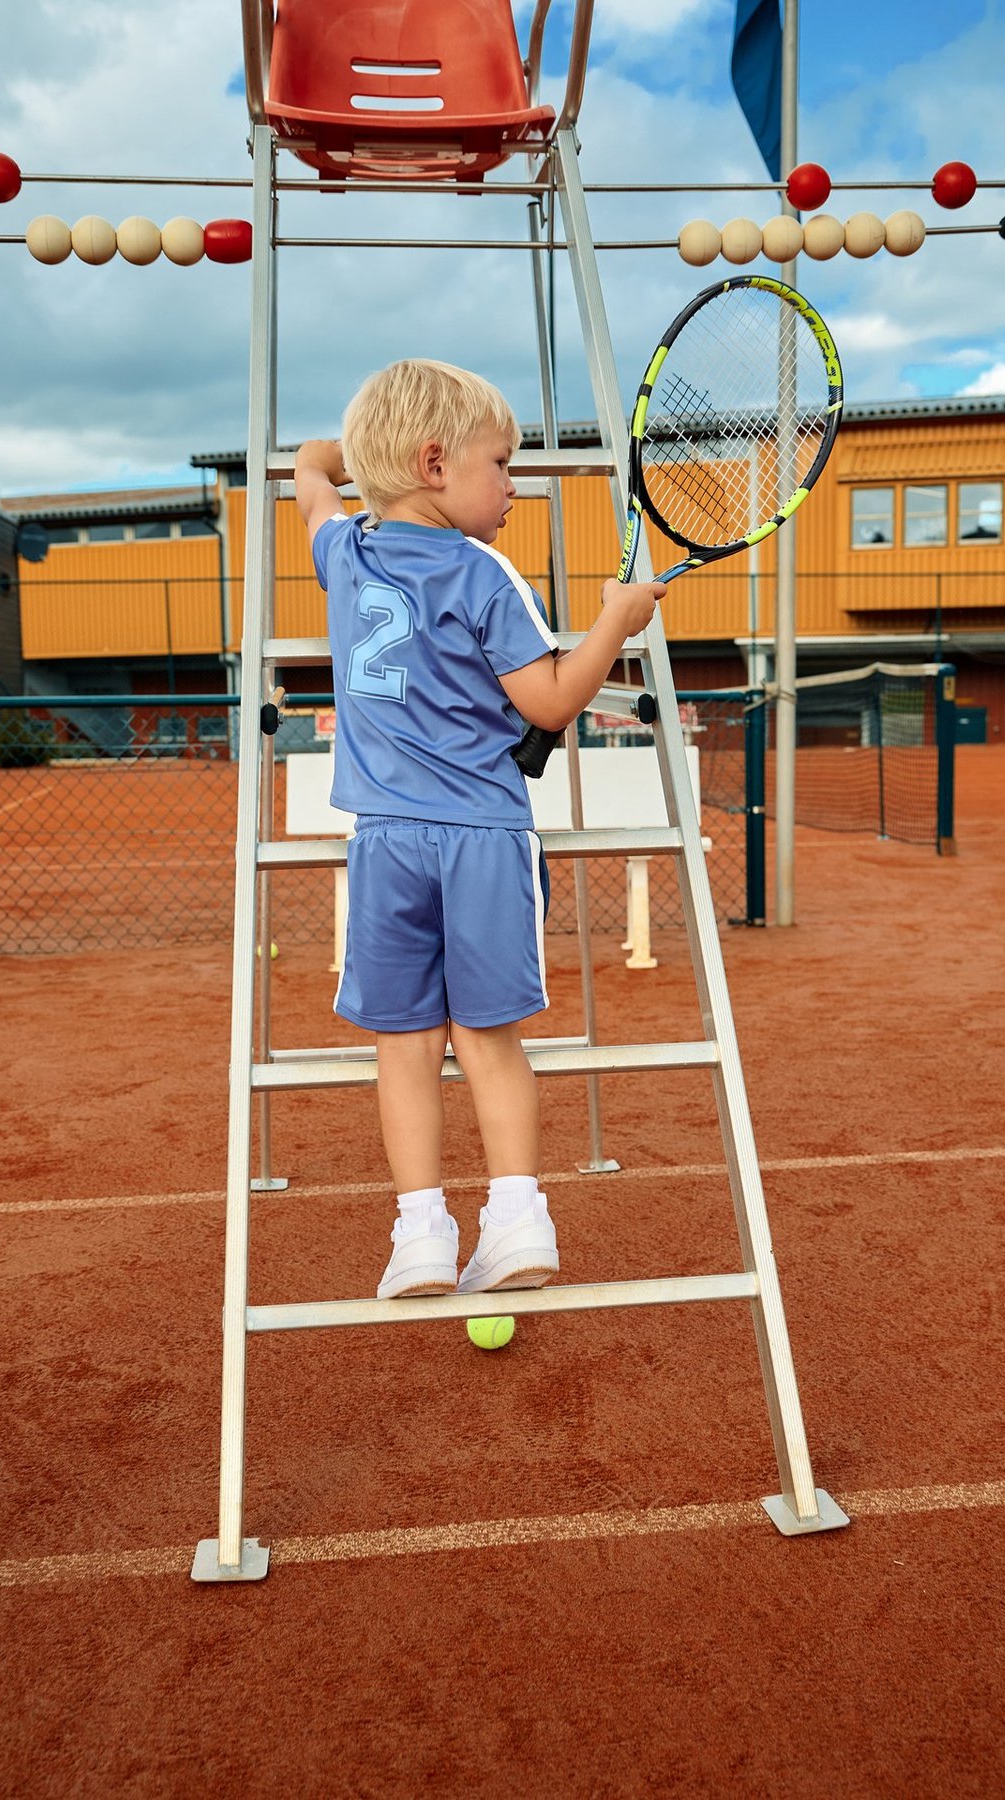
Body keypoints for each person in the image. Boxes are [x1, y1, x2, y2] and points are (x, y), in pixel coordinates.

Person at [295, 359, 664, 1301]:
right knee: (489, 1037)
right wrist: (614, 623)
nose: (514, 484)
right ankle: (517, 1221)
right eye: (500, 464)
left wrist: (342, 458)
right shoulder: (482, 571)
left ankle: (421, 1234)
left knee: (405, 1044)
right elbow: (545, 702)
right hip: (483, 839)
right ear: (433, 463)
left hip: (385, 842)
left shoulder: (345, 555)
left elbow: (309, 478)